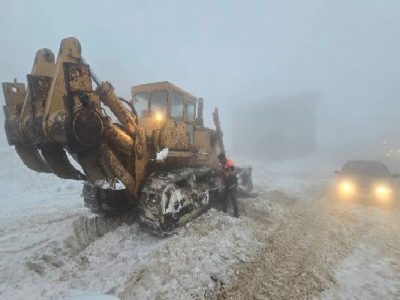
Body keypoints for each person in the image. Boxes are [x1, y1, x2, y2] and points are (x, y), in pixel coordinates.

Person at [218, 153, 239, 218]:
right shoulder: (223, 165)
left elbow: (230, 172)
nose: (219, 161)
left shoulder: (229, 162)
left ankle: (236, 214)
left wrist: (223, 171)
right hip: (227, 185)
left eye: (220, 160)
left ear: (223, 159)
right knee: (223, 196)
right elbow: (223, 175)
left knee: (233, 199)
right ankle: (224, 210)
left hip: (232, 184)